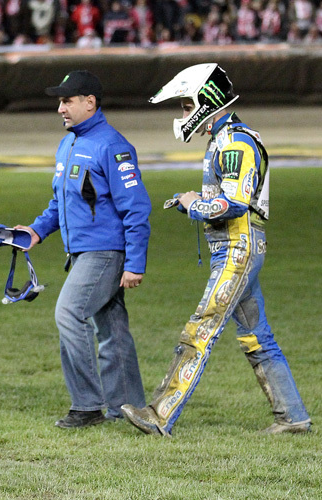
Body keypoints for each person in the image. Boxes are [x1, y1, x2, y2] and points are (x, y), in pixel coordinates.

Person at [122, 63, 312, 437]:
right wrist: (191, 201)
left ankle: (160, 415)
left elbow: (236, 203)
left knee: (202, 326)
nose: (183, 114)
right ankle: (293, 417)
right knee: (257, 336)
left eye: (186, 105)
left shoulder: (235, 142)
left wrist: (193, 204)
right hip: (239, 246)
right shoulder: (226, 139)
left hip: (237, 248)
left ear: (206, 100)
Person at [14, 70, 152, 428]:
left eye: (67, 100)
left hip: (105, 252)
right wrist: (36, 231)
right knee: (112, 330)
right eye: (60, 101)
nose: (60, 108)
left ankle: (88, 405)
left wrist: (135, 262)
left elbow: (135, 207)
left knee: (68, 313)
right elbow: (60, 202)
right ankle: (128, 406)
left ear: (90, 102)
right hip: (81, 253)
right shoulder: (69, 143)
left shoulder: (112, 145)